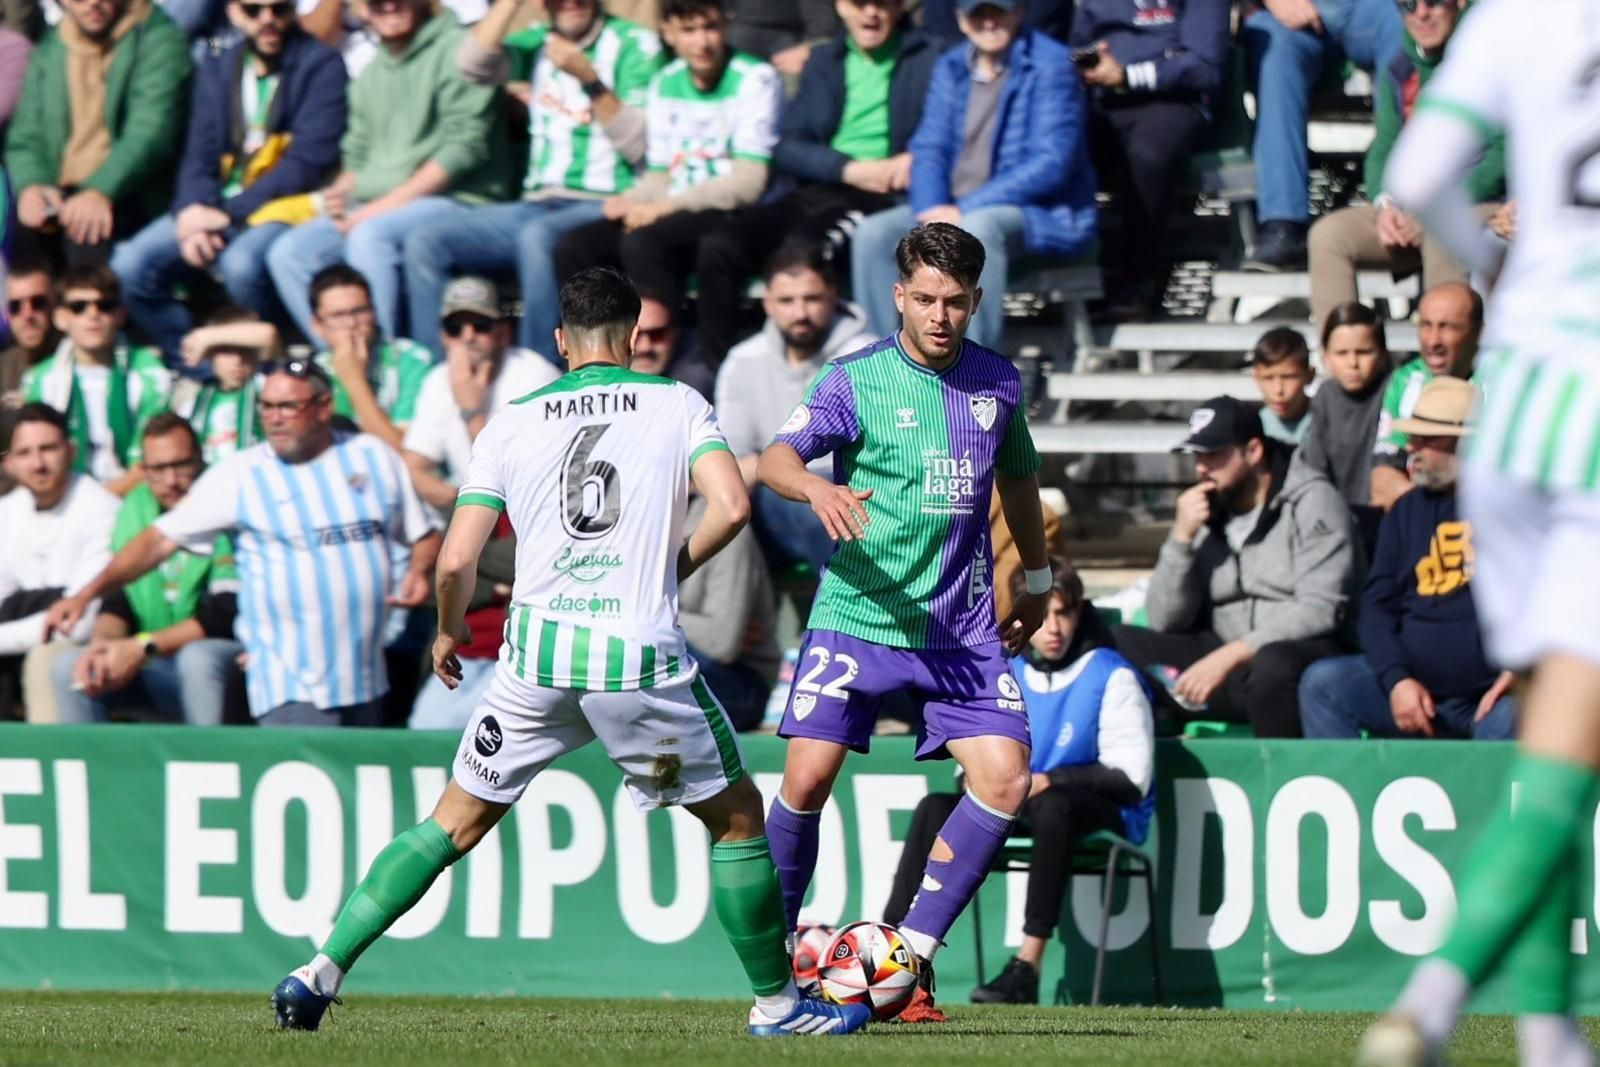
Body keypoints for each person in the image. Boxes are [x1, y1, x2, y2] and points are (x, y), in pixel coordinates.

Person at [268, 267, 871, 1039]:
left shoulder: (511, 421)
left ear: (560, 341)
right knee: (736, 820)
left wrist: (450, 629)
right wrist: (674, 564)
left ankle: (319, 970)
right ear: (631, 335)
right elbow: (732, 504)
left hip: (533, 666)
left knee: (450, 823)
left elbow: (457, 559)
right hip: (635, 666)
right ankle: (780, 1005)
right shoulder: (677, 402)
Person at [1359, 1, 1600, 1062]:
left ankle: (1547, 1031)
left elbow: (1412, 174)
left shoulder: (1521, 14)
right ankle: (1431, 1001)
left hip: (1514, 414)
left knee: (1560, 735)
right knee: (1568, 756)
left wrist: (1494, 267)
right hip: (1595, 421)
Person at [758, 223, 1052, 1023]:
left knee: (1006, 777)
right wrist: (815, 489)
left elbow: (1021, 479)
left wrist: (1039, 575)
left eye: (956, 301)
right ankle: (775, 972)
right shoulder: (854, 379)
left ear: (977, 301)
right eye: (925, 298)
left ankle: (908, 960)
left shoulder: (998, 383)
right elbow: (775, 460)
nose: (940, 315)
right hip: (859, 615)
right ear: (899, 295)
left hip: (960, 628)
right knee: (807, 778)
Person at [45, 358, 442, 726]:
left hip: (366, 675)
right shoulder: (242, 474)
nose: (274, 419)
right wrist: (85, 595)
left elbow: (422, 534)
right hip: (290, 683)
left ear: (324, 405)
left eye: (288, 407)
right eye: (266, 407)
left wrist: (421, 571)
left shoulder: (372, 456)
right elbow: (155, 543)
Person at [880, 558, 1154, 1006]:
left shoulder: (1112, 674)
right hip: (1024, 804)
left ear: (1079, 613)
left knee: (1054, 806)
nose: (1053, 628)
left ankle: (1027, 965)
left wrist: (1052, 779)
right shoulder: (1007, 672)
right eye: (1043, 615)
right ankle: (896, 955)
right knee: (936, 807)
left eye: (1063, 614)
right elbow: (969, 768)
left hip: (1097, 809)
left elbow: (1132, 780)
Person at [407, 0, 663, 360]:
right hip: (537, 203)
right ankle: (434, 375)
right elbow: (470, 64)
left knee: (537, 239)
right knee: (426, 241)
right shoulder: (537, 42)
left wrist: (589, 79)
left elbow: (640, 145)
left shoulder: (635, 43)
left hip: (604, 200)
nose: (570, 3)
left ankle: (537, 372)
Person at [693, 0, 940, 363]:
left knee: (804, 253)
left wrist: (913, 158)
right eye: (860, 3)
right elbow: (790, 145)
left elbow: (944, 129)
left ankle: (819, 378)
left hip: (880, 195)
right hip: (821, 185)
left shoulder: (930, 57)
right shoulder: (825, 60)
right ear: (841, 7)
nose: (871, 13)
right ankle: (721, 375)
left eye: (882, 4)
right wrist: (847, 168)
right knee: (719, 245)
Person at [848, 0, 1097, 349]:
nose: (990, 22)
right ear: (962, 21)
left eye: (999, 11)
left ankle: (970, 374)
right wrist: (931, 208)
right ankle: (880, 368)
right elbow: (929, 147)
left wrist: (964, 209)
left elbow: (1051, 163)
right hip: (951, 207)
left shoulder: (1051, 64)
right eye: (979, 13)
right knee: (873, 236)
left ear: (1019, 13)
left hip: (1038, 212)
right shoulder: (951, 66)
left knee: (978, 230)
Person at [110, 0, 348, 359]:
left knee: (240, 266)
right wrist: (193, 213)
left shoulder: (321, 64)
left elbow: (307, 163)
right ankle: (194, 365)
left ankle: (272, 363)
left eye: (279, 9)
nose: (267, 20)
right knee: (128, 267)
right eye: (254, 10)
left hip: (280, 206)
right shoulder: (221, 65)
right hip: (217, 204)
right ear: (234, 12)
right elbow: (199, 154)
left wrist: (227, 214)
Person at [1113, 396, 1360, 737]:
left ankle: (1279, 773)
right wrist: (1180, 539)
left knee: (1273, 665)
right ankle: (1162, 741)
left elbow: (1321, 608)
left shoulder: (1313, 500)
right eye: (1197, 455)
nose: (1201, 468)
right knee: (1116, 640)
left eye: (1213, 455)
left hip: (1298, 658)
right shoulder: (1207, 509)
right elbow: (1164, 619)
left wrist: (1233, 655)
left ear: (1253, 451)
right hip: (1227, 660)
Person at [265, 0, 510, 343]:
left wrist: (376, 210)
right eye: (376, 1)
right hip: (376, 206)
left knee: (370, 236)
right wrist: (340, 195)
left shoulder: (457, 49)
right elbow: (356, 158)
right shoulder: (370, 74)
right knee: (290, 252)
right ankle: (343, 365)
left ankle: (390, 364)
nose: (390, 6)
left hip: (459, 199)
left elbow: (465, 150)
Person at [551, 0, 784, 342]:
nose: (702, 42)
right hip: (672, 209)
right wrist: (630, 201)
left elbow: (748, 183)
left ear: (727, 27)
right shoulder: (665, 81)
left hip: (729, 210)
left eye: (710, 28)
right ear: (668, 33)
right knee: (574, 246)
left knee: (643, 242)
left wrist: (661, 208)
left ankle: (659, 353)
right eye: (689, 31)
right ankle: (591, 357)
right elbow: (661, 175)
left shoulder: (756, 78)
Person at [1300, 378, 1514, 741]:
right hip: (1413, 689)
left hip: (1491, 699)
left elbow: (1554, 602)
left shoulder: (1514, 509)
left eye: (1427, 440)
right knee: (1322, 685)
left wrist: (1523, 672)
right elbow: (1377, 608)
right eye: (1413, 436)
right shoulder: (1406, 511)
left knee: (1533, 712)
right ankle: (1354, 793)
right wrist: (1396, 679)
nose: (1412, 448)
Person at [1306, 0, 1503, 328]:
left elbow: (1504, 154)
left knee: (1444, 233)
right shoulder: (1400, 65)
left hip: (1480, 205)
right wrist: (1385, 205)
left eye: (1434, 3)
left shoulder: (1488, 58)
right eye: (1408, 5)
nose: (1421, 14)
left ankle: (1446, 371)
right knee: (1329, 236)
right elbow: (1384, 146)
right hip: (1414, 210)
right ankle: (1342, 363)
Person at [50, 413, 246, 725]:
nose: (171, 480)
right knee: (69, 668)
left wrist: (142, 646)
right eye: (158, 469)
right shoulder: (134, 510)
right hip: (156, 659)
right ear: (143, 470)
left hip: (223, 661)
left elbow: (224, 614)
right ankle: (96, 770)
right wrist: (104, 644)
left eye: (181, 465)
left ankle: (206, 764)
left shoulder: (222, 504)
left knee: (199, 660)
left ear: (200, 460)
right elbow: (121, 600)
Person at [715, 241, 873, 570]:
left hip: (856, 488)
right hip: (777, 494)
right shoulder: (743, 361)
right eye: (787, 301)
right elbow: (730, 465)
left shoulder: (868, 357)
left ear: (833, 295)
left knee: (834, 510)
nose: (800, 313)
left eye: (812, 298)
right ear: (768, 303)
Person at [1068, 0, 1230, 321]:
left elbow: (1205, 66)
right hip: (1101, 102)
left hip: (1174, 103)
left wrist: (1127, 75)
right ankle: (1070, 281)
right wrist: (1084, 63)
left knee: (1146, 157)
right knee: (1059, 149)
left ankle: (1138, 285)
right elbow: (1075, 44)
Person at [5, 0, 192, 268]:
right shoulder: (51, 47)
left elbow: (152, 132)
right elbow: (25, 135)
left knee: (86, 239)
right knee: (18, 241)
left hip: (131, 191)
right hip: (60, 191)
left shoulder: (157, 38)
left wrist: (99, 190)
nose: (92, 3)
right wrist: (33, 185)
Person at [1240, 0, 1401, 270]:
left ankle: (1399, 204)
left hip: (1373, 9)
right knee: (1276, 57)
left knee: (1405, 27)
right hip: (1288, 14)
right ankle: (1283, 222)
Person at [402, 276, 560, 517]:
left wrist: (472, 411)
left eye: (480, 325)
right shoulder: (438, 379)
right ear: (443, 336)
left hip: (528, 514)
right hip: (473, 514)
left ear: (505, 332)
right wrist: (456, 499)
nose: (468, 336)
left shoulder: (537, 376)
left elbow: (519, 477)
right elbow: (414, 464)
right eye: (454, 329)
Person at [0, 403, 119, 720]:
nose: (38, 464)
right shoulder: (6, 512)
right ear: (9, 463)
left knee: (46, 660)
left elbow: (78, 624)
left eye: (48, 449)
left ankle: (47, 762)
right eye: (24, 453)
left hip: (86, 646)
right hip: (15, 646)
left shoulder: (103, 510)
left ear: (71, 449)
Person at [21, 264, 172, 496]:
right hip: (61, 498)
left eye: (105, 305)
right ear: (60, 318)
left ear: (120, 315)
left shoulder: (150, 373)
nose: (93, 315)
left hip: (136, 495)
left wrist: (99, 501)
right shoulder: (38, 381)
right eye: (78, 307)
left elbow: (150, 461)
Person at [1369, 281, 1480, 509]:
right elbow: (1382, 477)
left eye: (1448, 327)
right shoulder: (1405, 379)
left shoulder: (1502, 382)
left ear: (1478, 331)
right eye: (1425, 325)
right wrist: (1428, 516)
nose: (1433, 341)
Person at [307, 264, 434, 451]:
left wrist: (354, 380)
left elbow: (405, 455)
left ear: (374, 313)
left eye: (360, 311)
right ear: (317, 325)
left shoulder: (413, 361)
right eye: (338, 315)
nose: (352, 324)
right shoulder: (313, 372)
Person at [1290, 302, 1392, 509]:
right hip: (1334, 515)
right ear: (1325, 355)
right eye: (1342, 353)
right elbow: (1314, 468)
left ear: (1382, 354)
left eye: (1363, 352)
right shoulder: (1325, 396)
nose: (1353, 362)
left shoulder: (1394, 391)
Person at [171, 307, 280, 465]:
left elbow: (269, 335)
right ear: (209, 354)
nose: (237, 360)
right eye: (226, 351)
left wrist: (207, 336)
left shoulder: (266, 386)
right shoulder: (195, 403)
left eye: (245, 350)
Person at [0, 260, 60, 494]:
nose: (28, 315)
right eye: (16, 307)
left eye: (38, 303)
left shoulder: (75, 361)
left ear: (56, 306)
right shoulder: (3, 367)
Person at [1249, 325, 1314, 447]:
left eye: (1289, 377)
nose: (1278, 390)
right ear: (1256, 378)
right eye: (1268, 378)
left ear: (1310, 376)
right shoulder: (1252, 430)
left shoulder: (1329, 423)